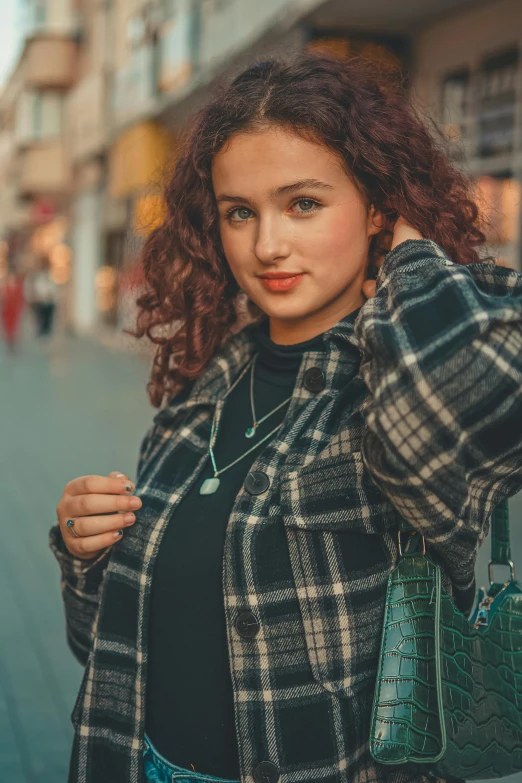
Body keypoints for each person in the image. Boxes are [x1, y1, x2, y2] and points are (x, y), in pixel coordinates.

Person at [50, 54, 522, 783]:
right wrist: (87, 554)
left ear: (375, 207)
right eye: (241, 211)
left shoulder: (399, 375)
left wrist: (413, 261)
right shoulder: (204, 388)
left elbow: (459, 402)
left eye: (303, 203)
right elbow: (110, 649)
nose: (267, 244)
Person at [25, 255, 59, 337]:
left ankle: (46, 332)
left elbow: (53, 289)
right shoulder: (35, 276)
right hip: (38, 301)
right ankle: (41, 332)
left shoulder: (49, 276)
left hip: (48, 301)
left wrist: (51, 296)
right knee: (40, 318)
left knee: (47, 319)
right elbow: (31, 288)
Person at [0, 269, 25, 352]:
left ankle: (13, 341)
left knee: (15, 326)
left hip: (15, 309)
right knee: (8, 326)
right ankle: (9, 341)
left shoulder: (18, 287)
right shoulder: (5, 287)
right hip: (7, 309)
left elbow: (20, 298)